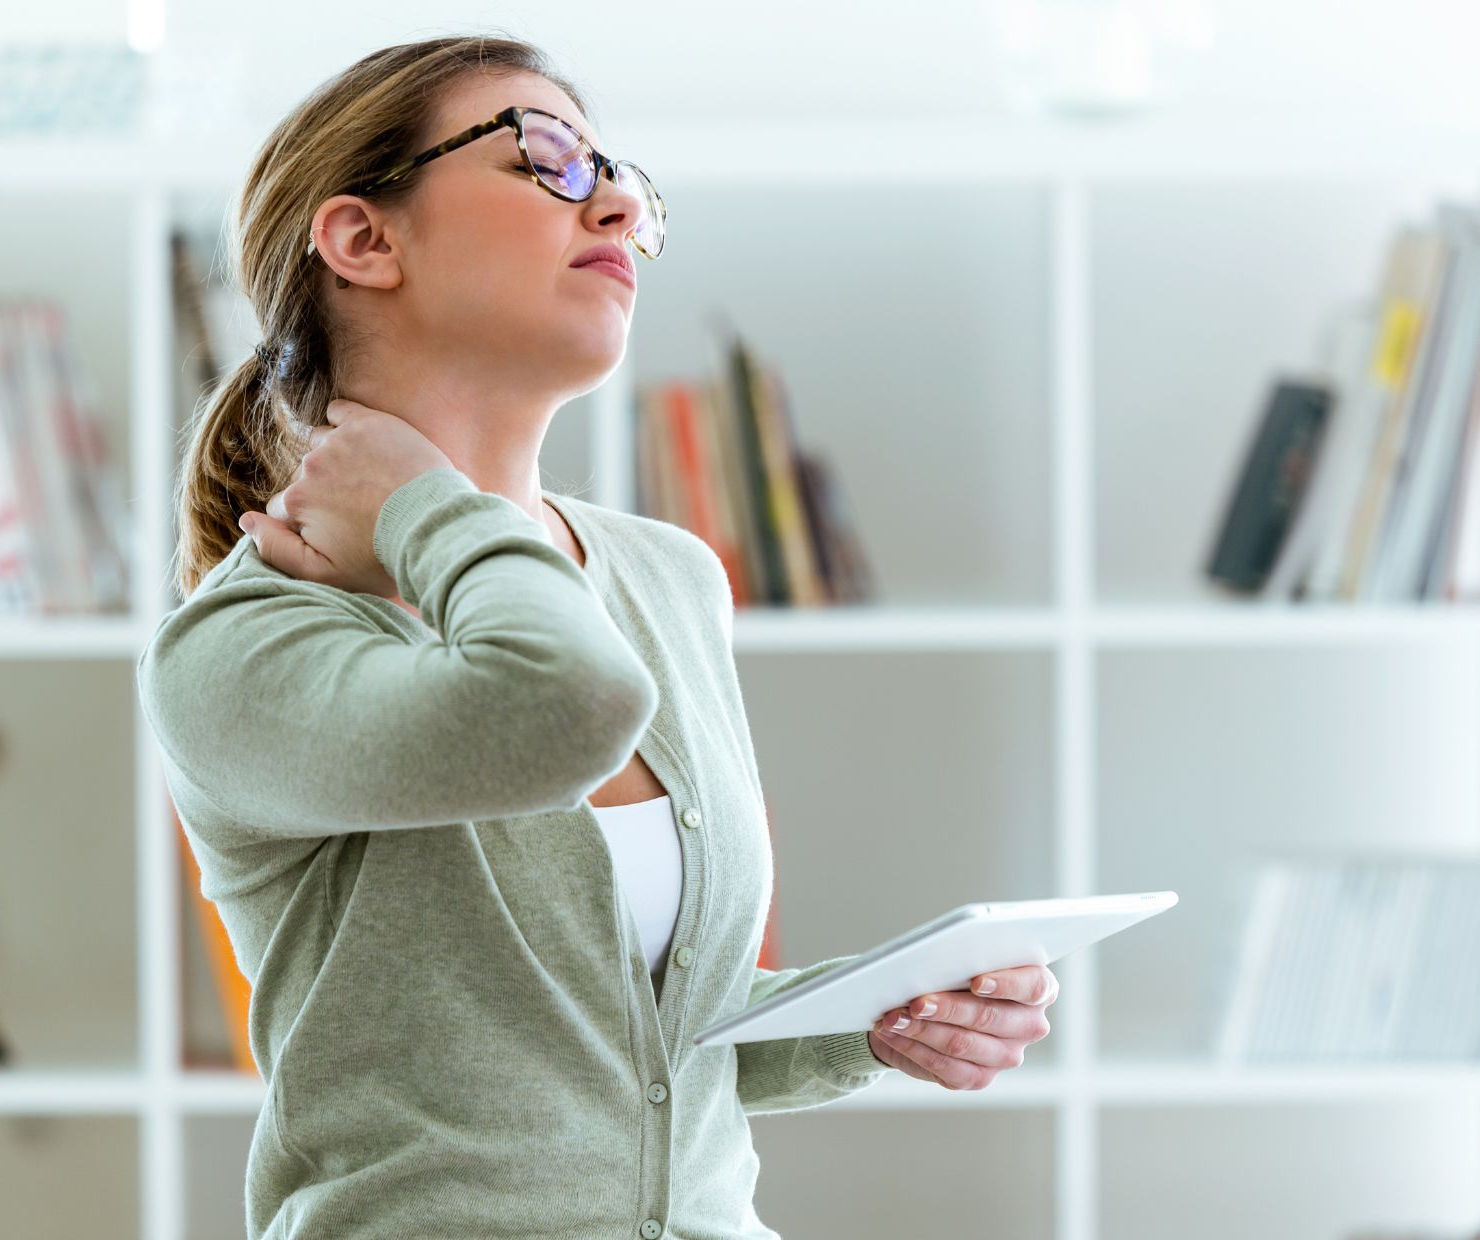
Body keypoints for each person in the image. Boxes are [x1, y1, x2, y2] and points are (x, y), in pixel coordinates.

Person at [136, 33, 1056, 1240]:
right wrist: (421, 502)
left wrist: (874, 1019)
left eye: (626, 179)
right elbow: (562, 704)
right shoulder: (245, 644)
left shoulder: (668, 579)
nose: (617, 200)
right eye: (550, 159)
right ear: (365, 239)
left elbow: (651, 1043)